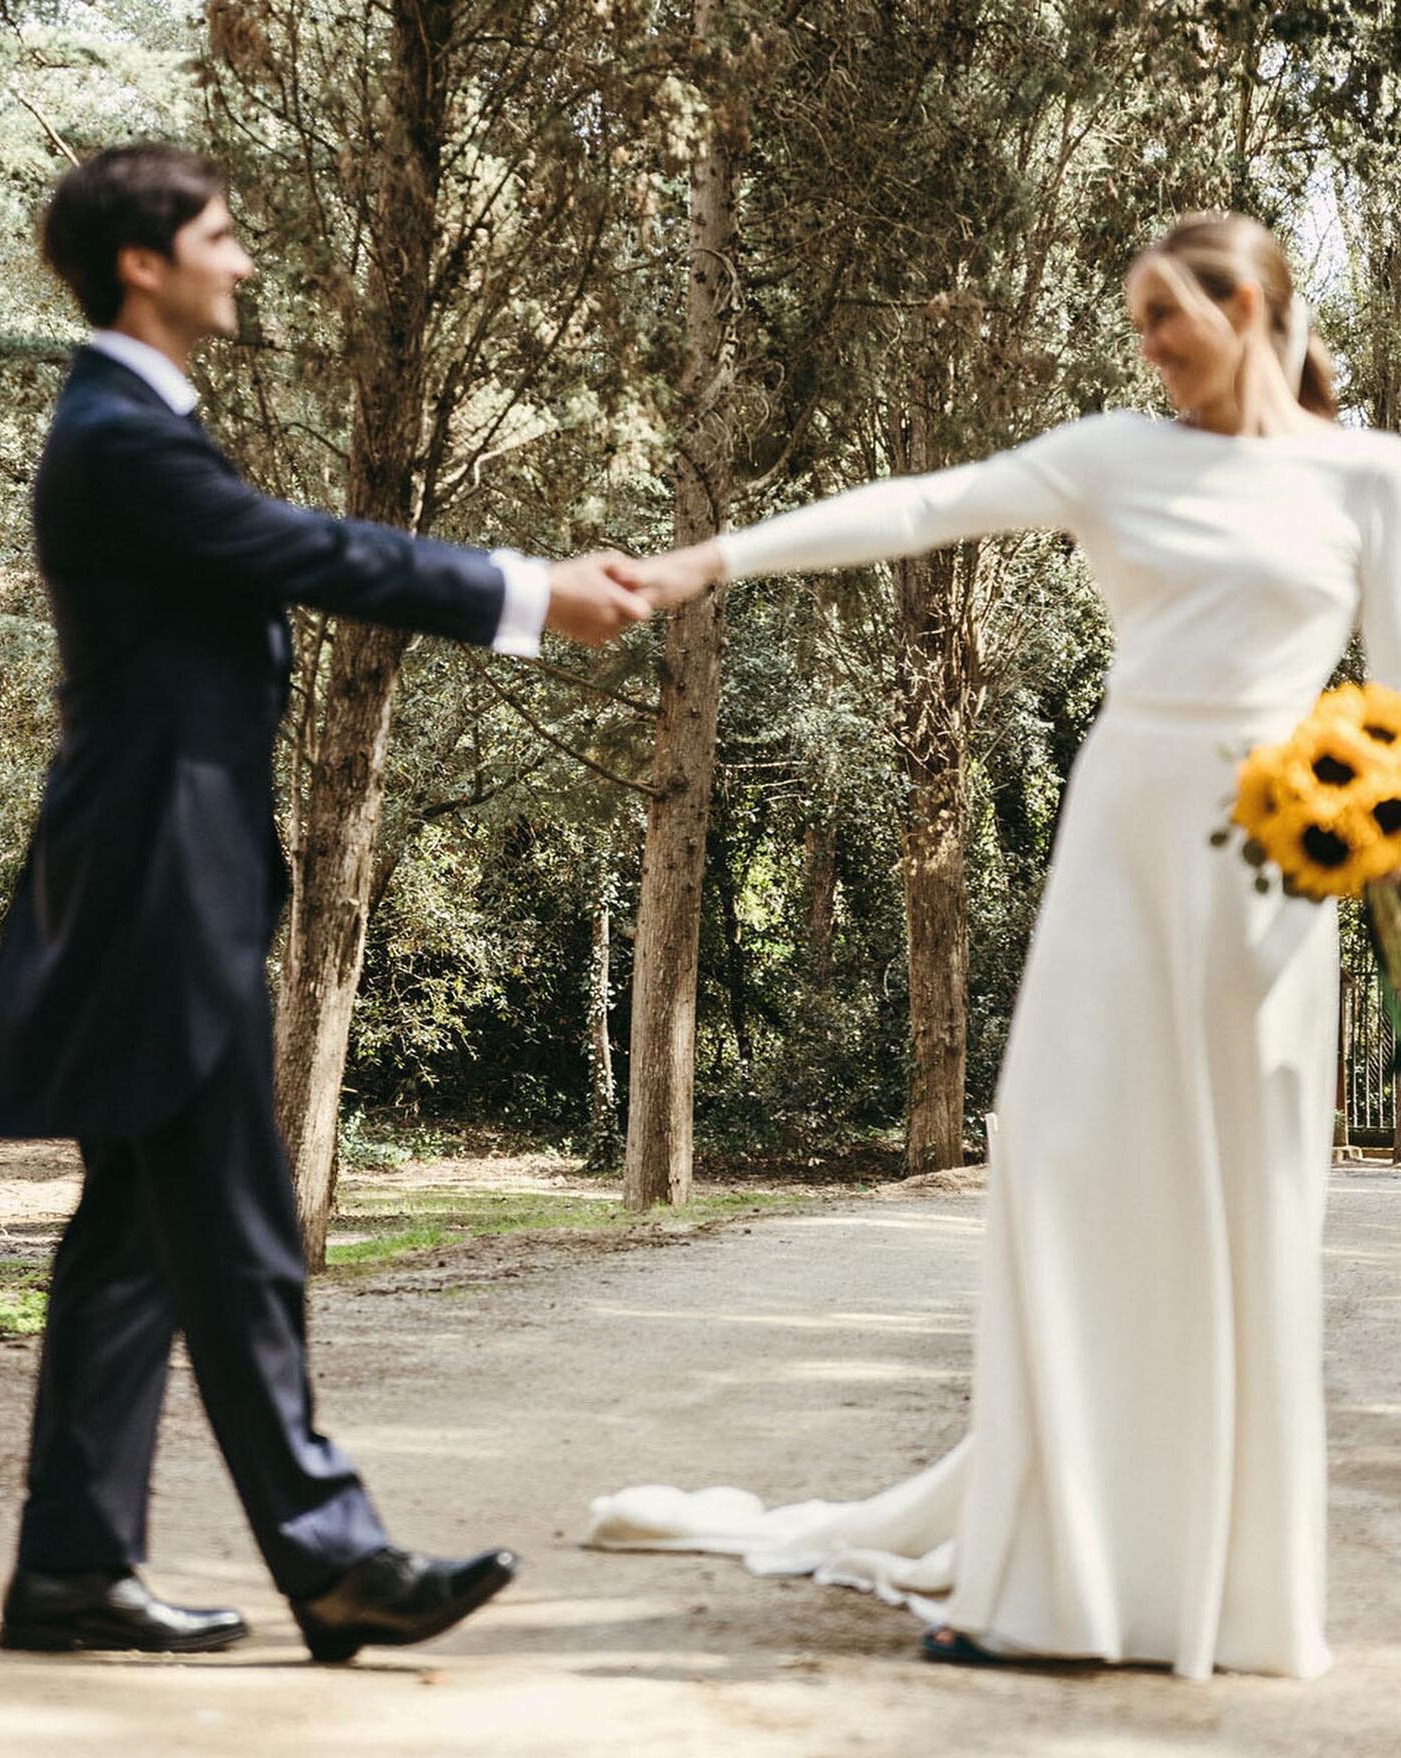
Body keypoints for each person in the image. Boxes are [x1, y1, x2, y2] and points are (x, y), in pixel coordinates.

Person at [590, 212, 1401, 1680]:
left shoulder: (1372, 475)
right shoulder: (1108, 453)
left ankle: (1221, 1595)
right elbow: (917, 508)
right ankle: (1046, 1581)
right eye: (1139, 313)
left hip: (1279, 867)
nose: (1147, 339)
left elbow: (1400, 695)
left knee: (1244, 1202)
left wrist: (1354, 826)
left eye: (1169, 311)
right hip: (1124, 833)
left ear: (1253, 308)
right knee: (1069, 1171)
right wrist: (706, 559)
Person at [0, 142, 649, 1661]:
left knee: (137, 1239)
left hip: (151, 884)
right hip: (157, 897)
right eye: (222, 235)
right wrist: (532, 593)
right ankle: (334, 1559)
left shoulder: (138, 429)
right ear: (144, 264)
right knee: (241, 1230)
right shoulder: (122, 437)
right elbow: (313, 552)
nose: (245, 258)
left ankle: (74, 1569)